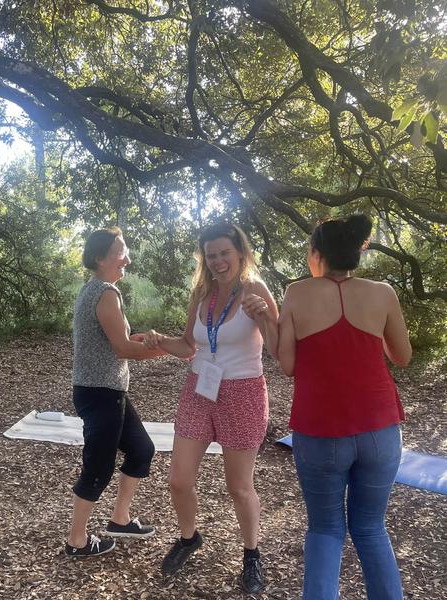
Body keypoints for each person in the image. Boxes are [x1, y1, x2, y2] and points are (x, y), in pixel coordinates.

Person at [277, 214, 412, 599]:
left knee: (325, 528)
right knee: (371, 527)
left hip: (320, 431)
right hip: (380, 429)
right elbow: (402, 356)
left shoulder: (297, 293)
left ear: (316, 254)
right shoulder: (382, 292)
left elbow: (288, 365)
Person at [144, 223, 279, 595]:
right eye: (211, 254)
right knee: (179, 481)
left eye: (224, 253)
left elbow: (279, 349)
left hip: (244, 394)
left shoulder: (254, 289)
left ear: (240, 252)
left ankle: (251, 553)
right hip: (198, 390)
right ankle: (189, 538)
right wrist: (158, 341)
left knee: (238, 487)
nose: (218, 261)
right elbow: (189, 345)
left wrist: (265, 316)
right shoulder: (201, 293)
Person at [65, 226, 165, 558]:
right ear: (100, 257)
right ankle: (76, 541)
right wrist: (170, 349)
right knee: (99, 466)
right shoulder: (105, 292)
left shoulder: (94, 289)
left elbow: (115, 340)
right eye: (121, 251)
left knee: (141, 449)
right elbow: (122, 349)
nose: (128, 258)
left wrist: (145, 341)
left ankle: (119, 520)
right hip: (100, 392)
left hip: (106, 391)